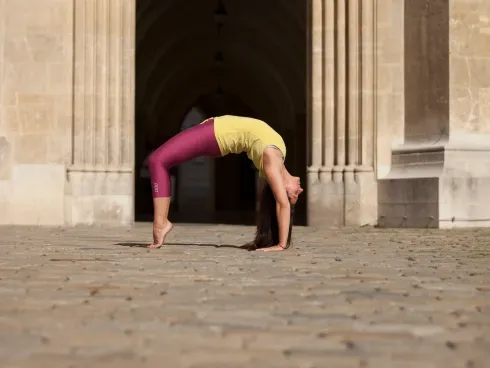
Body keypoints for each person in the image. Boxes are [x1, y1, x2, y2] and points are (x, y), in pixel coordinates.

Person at [147, 115, 303, 252]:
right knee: (159, 160)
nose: (301, 190)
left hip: (216, 134)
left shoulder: (271, 161)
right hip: (215, 127)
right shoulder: (280, 153)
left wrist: (282, 244)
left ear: (282, 189)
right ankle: (161, 223)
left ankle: (160, 224)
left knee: (157, 160)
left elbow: (282, 205)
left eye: (294, 195)